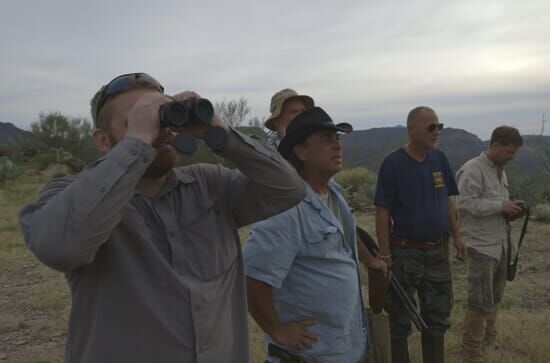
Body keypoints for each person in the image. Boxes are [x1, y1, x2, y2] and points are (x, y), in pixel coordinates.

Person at [18, 72, 306, 363]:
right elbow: (58, 247)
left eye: (162, 118)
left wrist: (220, 131)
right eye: (139, 119)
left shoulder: (210, 185)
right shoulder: (71, 196)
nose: (161, 130)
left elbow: (289, 190)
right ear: (103, 140)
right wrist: (138, 144)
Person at [243, 107, 387, 363]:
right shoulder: (287, 208)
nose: (337, 146)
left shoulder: (335, 194)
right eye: (326, 140)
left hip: (344, 349)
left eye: (338, 139)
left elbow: (347, 239)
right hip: (307, 357)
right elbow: (252, 276)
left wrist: (372, 261)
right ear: (300, 151)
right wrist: (276, 329)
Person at [374, 106, 467, 363]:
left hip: (438, 249)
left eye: (440, 127)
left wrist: (457, 235)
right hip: (405, 251)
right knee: (399, 317)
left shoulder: (439, 159)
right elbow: (382, 211)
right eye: (431, 127)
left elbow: (447, 200)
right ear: (412, 129)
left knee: (437, 316)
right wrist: (385, 253)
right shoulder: (392, 164)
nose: (437, 132)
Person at [456, 126, 524, 363]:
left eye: (514, 152)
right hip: (480, 246)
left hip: (500, 244)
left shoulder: (500, 171)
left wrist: (510, 206)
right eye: (508, 151)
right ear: (495, 146)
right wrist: (500, 206)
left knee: (494, 297)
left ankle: (489, 340)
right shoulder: (472, 169)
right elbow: (463, 203)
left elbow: (494, 203)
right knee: (478, 300)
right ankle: (471, 352)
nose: (512, 156)